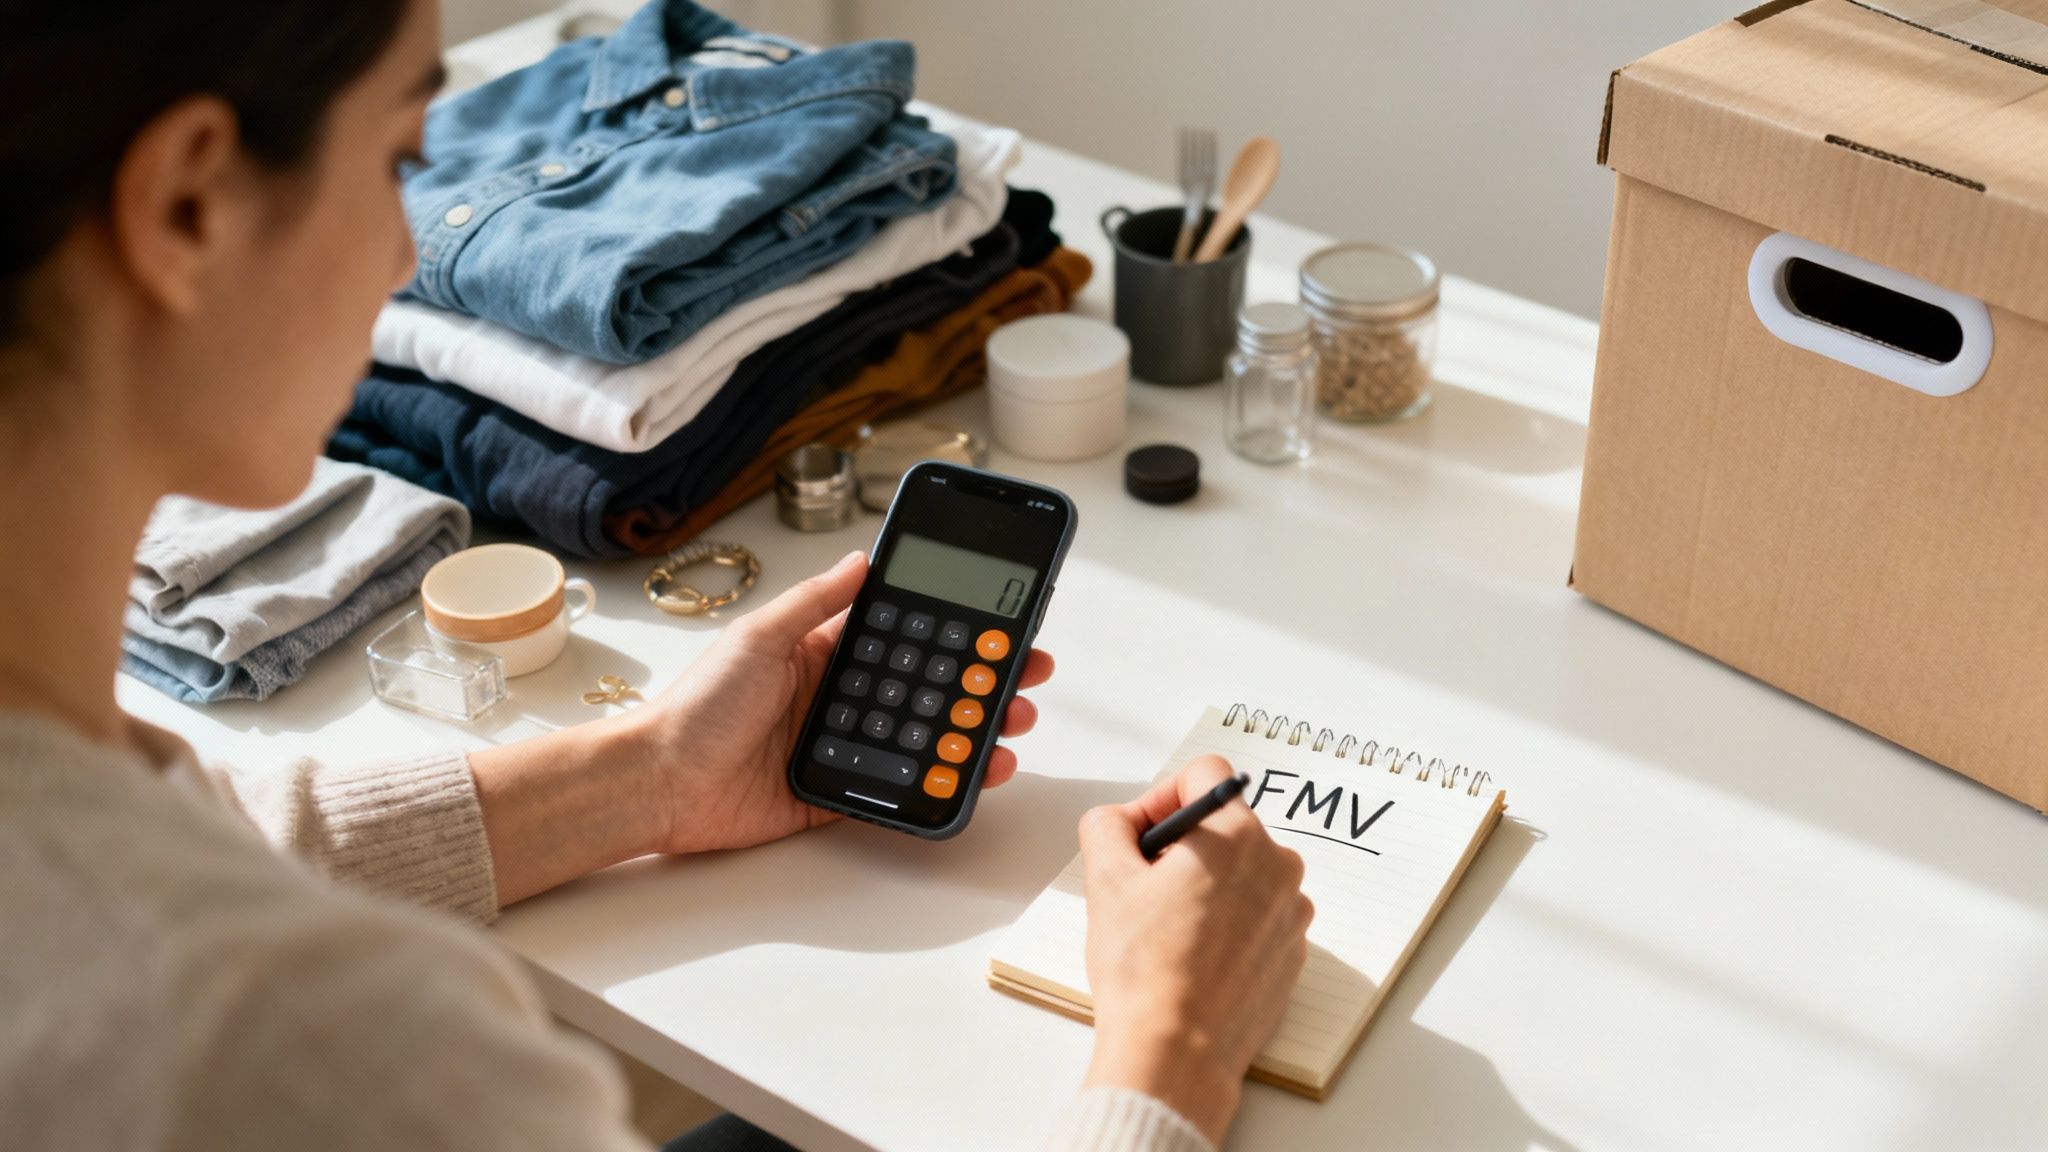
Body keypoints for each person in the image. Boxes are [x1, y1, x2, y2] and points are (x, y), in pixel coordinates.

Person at [0, 1, 1314, 1150]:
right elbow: (208, 938)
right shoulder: (313, 1039)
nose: (413, 261)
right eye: (401, 157)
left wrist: (648, 777)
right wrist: (1172, 1047)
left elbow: (207, 837)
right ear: (189, 207)